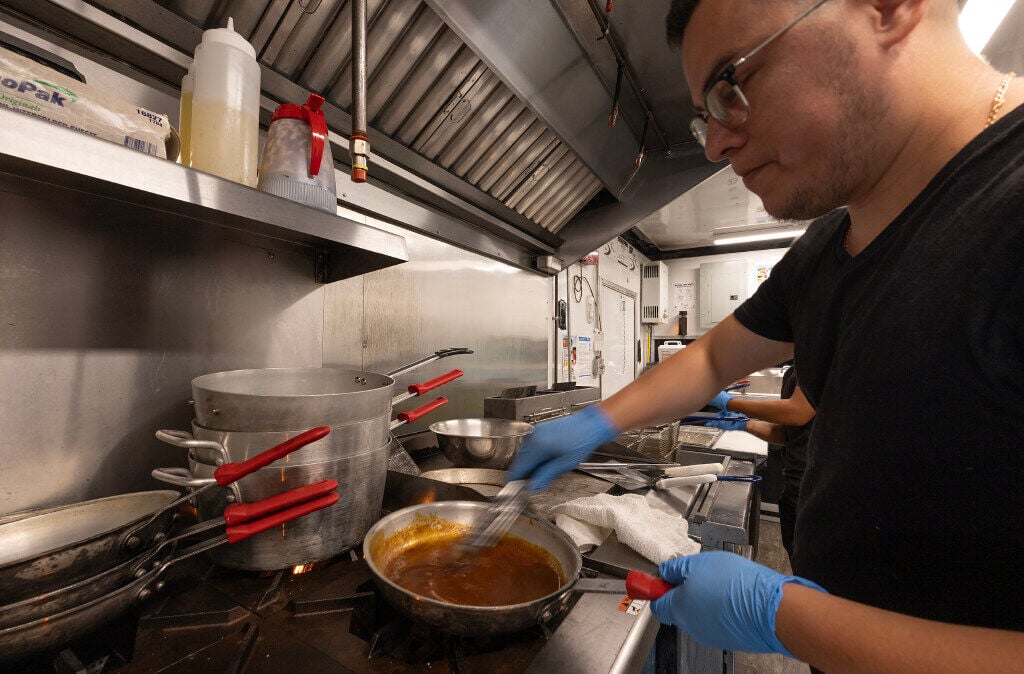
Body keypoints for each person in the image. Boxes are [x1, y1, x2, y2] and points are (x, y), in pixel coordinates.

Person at [507, 0, 1024, 668]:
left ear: (890, 9)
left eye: (731, 84)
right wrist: (597, 421)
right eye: (703, 116)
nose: (716, 144)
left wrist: (791, 619)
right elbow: (717, 354)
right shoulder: (826, 248)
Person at [704, 362, 815, 559]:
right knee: (799, 560)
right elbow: (787, 435)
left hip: (815, 493)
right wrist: (743, 424)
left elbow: (796, 413)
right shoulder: (795, 371)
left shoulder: (818, 361)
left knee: (816, 573)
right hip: (795, 487)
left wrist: (730, 402)